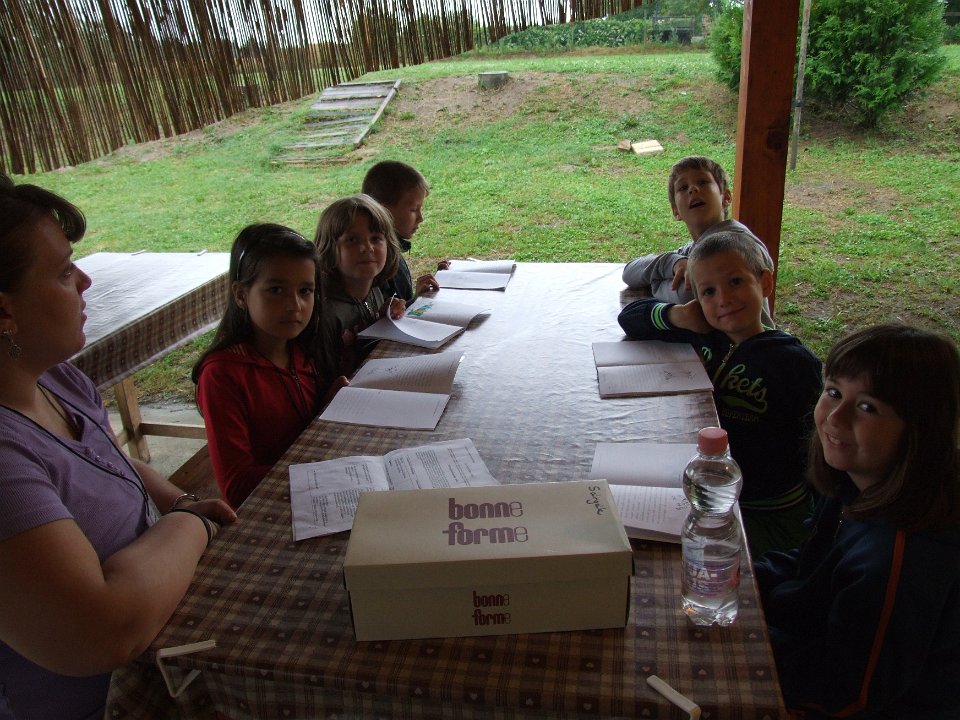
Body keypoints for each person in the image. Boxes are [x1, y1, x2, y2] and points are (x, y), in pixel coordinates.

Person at [0, 173, 237, 720]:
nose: (85, 280)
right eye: (64, 271)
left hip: (165, 650)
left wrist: (177, 501)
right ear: (3, 312)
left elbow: (109, 459)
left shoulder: (57, 380)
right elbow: (101, 629)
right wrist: (191, 526)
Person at [755, 324, 960, 719]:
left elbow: (847, 692)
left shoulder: (903, 554)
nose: (835, 416)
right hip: (812, 646)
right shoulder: (857, 480)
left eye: (867, 407)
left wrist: (744, 636)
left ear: (920, 428)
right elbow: (812, 564)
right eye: (833, 392)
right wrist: (742, 579)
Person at [618, 230, 821, 556]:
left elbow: (819, 448)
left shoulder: (794, 363)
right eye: (708, 292)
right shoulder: (703, 336)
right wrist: (678, 315)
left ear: (765, 283)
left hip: (769, 512)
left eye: (735, 282)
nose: (723, 299)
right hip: (705, 496)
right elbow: (629, 317)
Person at [193, 223, 338, 509]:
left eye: (305, 291)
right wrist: (321, 469)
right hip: (272, 508)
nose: (294, 305)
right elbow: (237, 487)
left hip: (319, 490)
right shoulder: (222, 375)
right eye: (276, 290)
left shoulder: (303, 350)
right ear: (241, 295)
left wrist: (330, 404)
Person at [622, 155, 774, 327]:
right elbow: (629, 272)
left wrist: (654, 282)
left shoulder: (735, 244)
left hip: (753, 343)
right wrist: (674, 262)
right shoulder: (692, 249)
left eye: (703, 182)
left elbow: (688, 296)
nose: (693, 189)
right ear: (676, 211)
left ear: (725, 197)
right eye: (683, 187)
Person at [313, 194, 405, 378]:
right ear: (329, 248)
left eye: (376, 238)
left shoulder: (374, 291)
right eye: (352, 240)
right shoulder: (325, 313)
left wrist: (385, 318)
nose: (367, 247)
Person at [361, 160, 449, 303]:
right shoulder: (376, 263)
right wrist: (414, 301)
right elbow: (388, 314)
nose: (420, 218)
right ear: (383, 211)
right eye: (413, 210)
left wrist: (419, 296)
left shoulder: (391, 250)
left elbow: (397, 307)